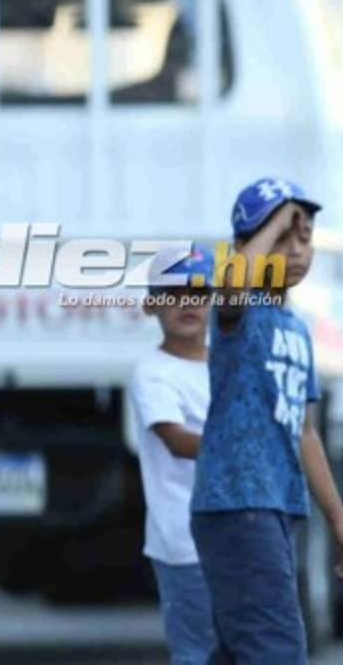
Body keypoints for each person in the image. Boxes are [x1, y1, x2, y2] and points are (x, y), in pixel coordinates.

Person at [190, 179, 343, 663]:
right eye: (280, 237)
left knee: (242, 648)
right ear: (246, 247)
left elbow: (305, 432)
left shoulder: (297, 330)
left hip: (273, 506)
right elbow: (231, 284)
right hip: (237, 500)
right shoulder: (238, 314)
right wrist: (274, 221)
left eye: (304, 237)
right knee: (277, 647)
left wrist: (339, 519)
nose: (294, 250)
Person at [130, 243, 219, 664]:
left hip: (237, 535)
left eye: (199, 292)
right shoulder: (153, 373)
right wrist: (246, 446)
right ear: (152, 306)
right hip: (183, 542)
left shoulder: (227, 366)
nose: (188, 302)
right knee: (196, 652)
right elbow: (176, 439)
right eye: (174, 293)